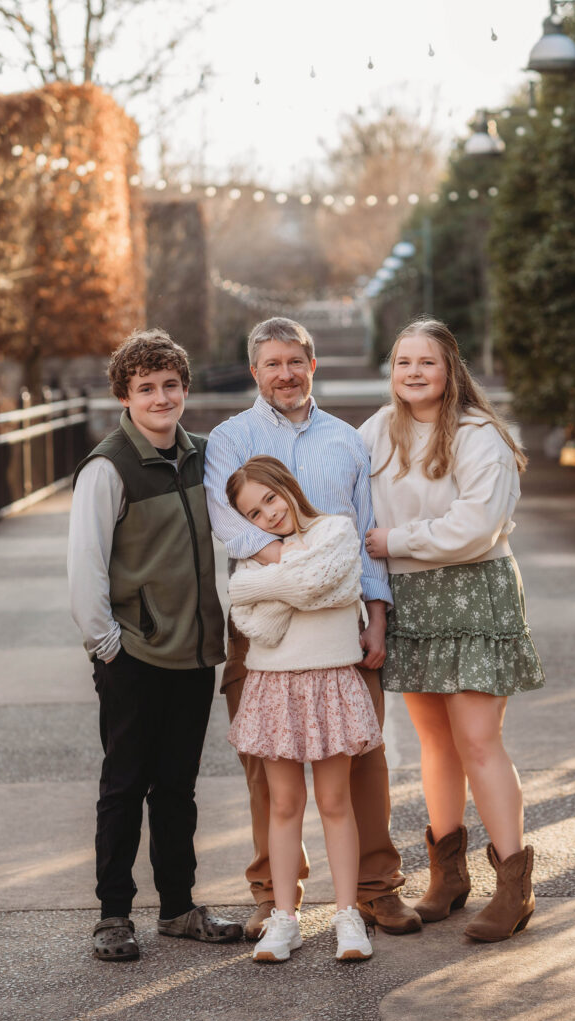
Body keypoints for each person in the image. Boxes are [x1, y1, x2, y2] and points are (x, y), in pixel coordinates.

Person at [204, 317, 421, 941]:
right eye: (272, 364)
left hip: (342, 627)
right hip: (265, 625)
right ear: (254, 371)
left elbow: (366, 530)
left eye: (295, 361)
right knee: (265, 762)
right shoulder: (229, 439)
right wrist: (304, 567)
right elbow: (233, 528)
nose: (285, 374)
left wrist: (376, 614)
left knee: (361, 754)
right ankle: (274, 896)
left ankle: (376, 890)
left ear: (312, 364)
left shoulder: (348, 442)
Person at [360, 318, 545, 943]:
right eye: (402, 362)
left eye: (427, 363)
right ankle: (448, 876)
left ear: (450, 371)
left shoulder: (479, 435)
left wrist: (395, 541)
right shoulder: (376, 433)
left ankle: (515, 886)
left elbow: (476, 528)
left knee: (477, 740)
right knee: (433, 741)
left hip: (473, 593)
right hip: (411, 599)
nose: (413, 372)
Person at [67, 327, 242, 961]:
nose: (161, 397)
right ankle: (113, 915)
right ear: (126, 395)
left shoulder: (201, 456)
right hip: (133, 655)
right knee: (123, 786)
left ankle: (178, 908)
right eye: (146, 388)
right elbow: (85, 563)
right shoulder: (108, 467)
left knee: (177, 788)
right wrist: (106, 644)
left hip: (194, 655)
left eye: (170, 385)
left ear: (185, 389)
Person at [225, 456, 380, 962]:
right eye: (252, 514)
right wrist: (297, 581)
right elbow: (254, 620)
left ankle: (346, 916)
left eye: (269, 499)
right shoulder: (253, 555)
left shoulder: (336, 529)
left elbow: (310, 586)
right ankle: (284, 920)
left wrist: (275, 584)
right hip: (273, 687)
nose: (266, 516)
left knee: (336, 802)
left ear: (287, 487)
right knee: (284, 804)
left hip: (331, 680)